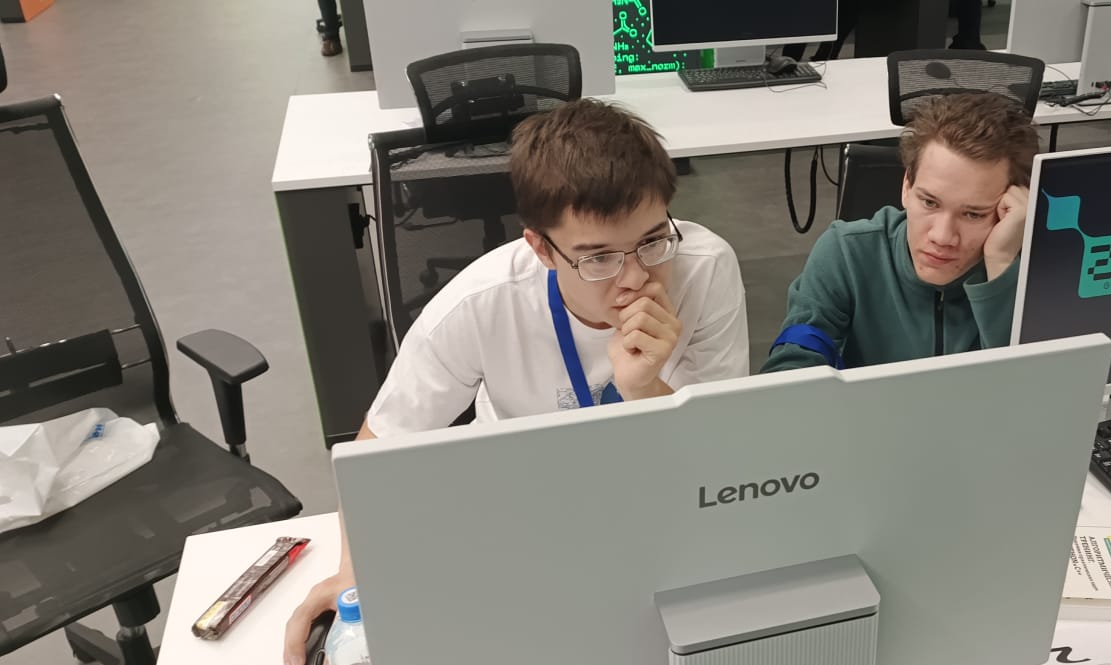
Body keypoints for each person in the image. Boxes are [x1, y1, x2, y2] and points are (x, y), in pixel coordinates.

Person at [281, 98, 749, 665]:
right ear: (541, 248)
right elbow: (374, 454)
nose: (634, 277)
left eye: (652, 241)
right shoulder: (478, 305)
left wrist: (645, 391)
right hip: (520, 522)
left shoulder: (705, 269)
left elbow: (723, 462)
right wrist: (352, 573)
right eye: (598, 258)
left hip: (657, 513)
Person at [761, 92, 1036, 373]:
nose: (942, 237)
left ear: (1009, 208)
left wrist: (1001, 266)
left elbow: (1032, 385)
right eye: (929, 202)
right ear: (906, 186)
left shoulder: (1040, 269)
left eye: (973, 214)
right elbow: (793, 363)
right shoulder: (847, 252)